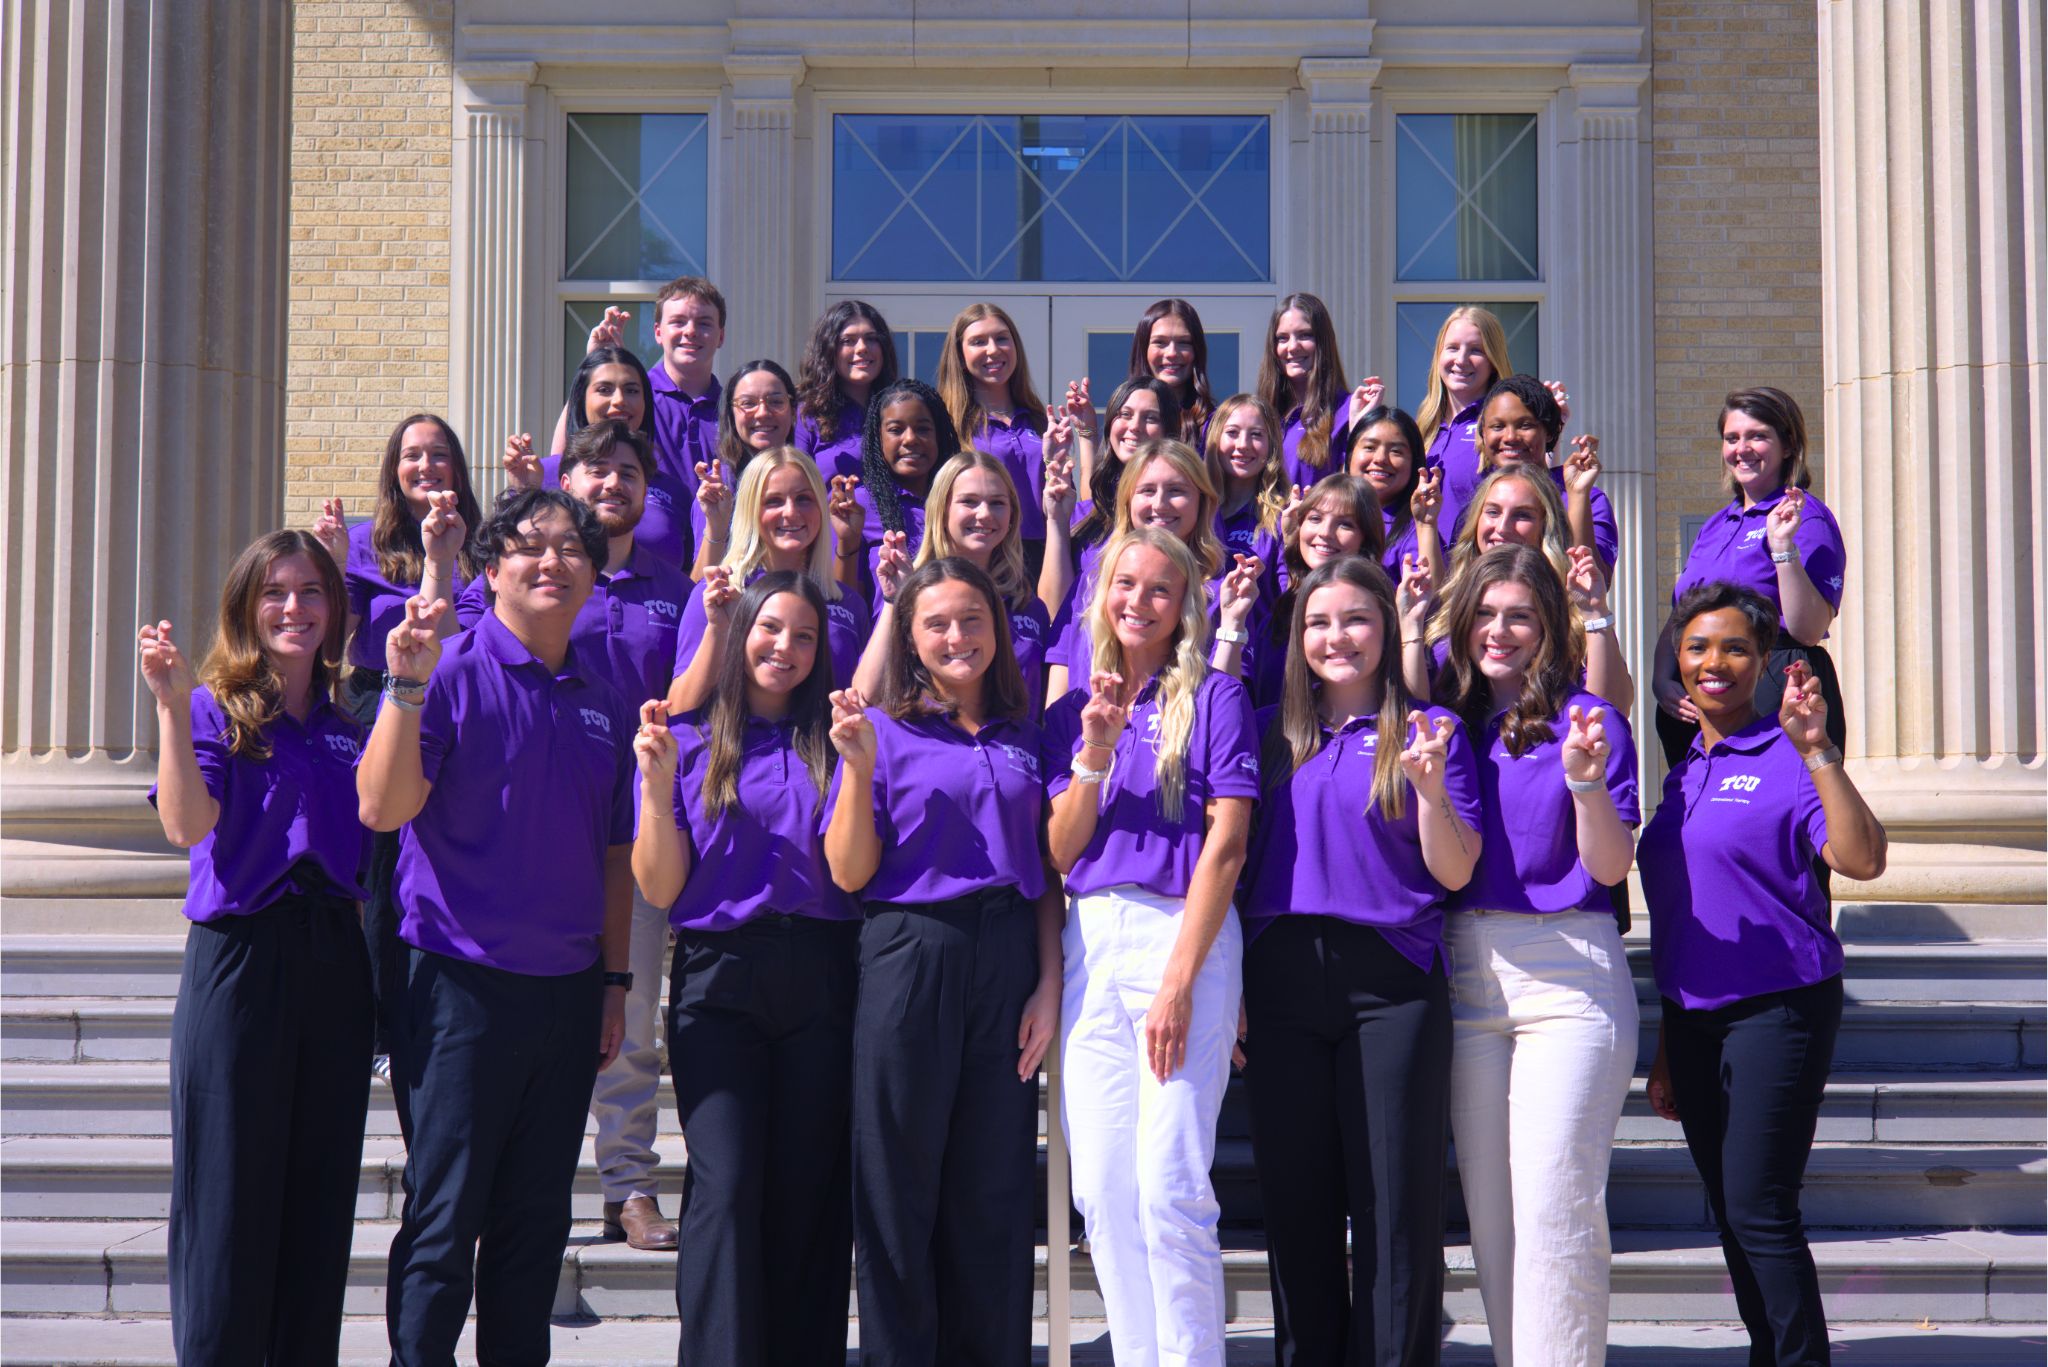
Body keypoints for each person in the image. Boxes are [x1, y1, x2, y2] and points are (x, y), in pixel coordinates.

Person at [357, 487, 637, 1365]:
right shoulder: (449, 671)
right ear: (490, 568)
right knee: (444, 1219)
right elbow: (381, 805)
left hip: (565, 994)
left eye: (569, 549)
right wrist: (405, 686)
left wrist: (615, 983)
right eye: (528, 546)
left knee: (534, 1224)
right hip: (458, 988)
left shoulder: (607, 693)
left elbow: (614, 855)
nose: (550, 561)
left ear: (594, 575)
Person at [1239, 555, 1482, 1366]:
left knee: (1393, 1202)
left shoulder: (1429, 730)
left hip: (1393, 981)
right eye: (1317, 621)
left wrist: (1430, 789)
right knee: (1296, 1202)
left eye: (1354, 619)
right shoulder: (1268, 733)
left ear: (1386, 627)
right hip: (1279, 978)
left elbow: (1453, 871)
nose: (1335, 636)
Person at [823, 558, 1063, 1367]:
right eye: (937, 623)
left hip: (1005, 957)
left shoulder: (1028, 736)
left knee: (993, 1190)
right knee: (897, 1186)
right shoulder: (879, 730)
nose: (957, 636)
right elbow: (849, 870)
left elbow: (1044, 871)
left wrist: (1048, 982)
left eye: (972, 619)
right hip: (910, 948)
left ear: (999, 631)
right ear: (911, 638)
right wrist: (856, 770)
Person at [1641, 583, 1886, 1367]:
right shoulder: (1681, 777)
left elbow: (1863, 858)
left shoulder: (1786, 757)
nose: (1715, 662)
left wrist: (1819, 749)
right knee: (1730, 1211)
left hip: (1779, 1007)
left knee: (1759, 1205)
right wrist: (1668, 1045)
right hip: (1693, 1019)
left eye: (1735, 647)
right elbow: (1683, 916)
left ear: (1764, 661)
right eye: (1698, 647)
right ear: (1678, 664)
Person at [141, 531, 371, 1366]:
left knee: (317, 1198)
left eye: (312, 592)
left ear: (334, 611)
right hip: (240, 963)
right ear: (247, 607)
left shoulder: (349, 728)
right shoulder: (211, 706)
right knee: (229, 1195)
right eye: (275, 592)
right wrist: (168, 702)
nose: (294, 609)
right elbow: (185, 825)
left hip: (334, 967)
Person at [630, 571, 860, 1367]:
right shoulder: (686, 740)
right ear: (736, 635)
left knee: (806, 1189)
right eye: (769, 630)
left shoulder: (835, 742)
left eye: (803, 636)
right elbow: (658, 886)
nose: (784, 648)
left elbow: (854, 869)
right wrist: (656, 791)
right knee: (726, 1189)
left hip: (823, 973)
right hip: (717, 982)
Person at [1043, 525, 1260, 1367]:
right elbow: (1056, 854)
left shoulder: (1214, 698)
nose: (1138, 601)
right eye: (1124, 583)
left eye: (1159, 589)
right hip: (1093, 937)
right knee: (1102, 1190)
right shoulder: (1069, 711)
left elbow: (1228, 846)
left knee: (1169, 1183)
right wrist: (1093, 755)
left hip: (1185, 937)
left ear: (1184, 607)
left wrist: (1180, 982)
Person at [475, 420, 690, 1251]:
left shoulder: (674, 586)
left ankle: (628, 1183)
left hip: (645, 819)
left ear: (647, 488)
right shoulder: (545, 574)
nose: (612, 485)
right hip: (555, 823)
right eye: (596, 472)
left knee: (633, 1015)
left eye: (628, 472)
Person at [1433, 543, 1640, 1367]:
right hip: (1466, 971)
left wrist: (1586, 782)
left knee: (1556, 1203)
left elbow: (1611, 866)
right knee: (1495, 1218)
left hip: (1569, 971)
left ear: (1549, 625)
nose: (1500, 629)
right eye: (1484, 613)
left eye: (1519, 614)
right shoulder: (1442, 723)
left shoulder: (1591, 719)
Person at [310, 413, 478, 1090]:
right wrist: (326, 563)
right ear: (394, 468)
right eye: (413, 455)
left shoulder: (481, 544)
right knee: (378, 870)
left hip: (454, 709)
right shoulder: (358, 545)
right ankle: (380, 1023)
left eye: (439, 455)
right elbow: (332, 641)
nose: (426, 466)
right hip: (373, 706)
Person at [1654, 387, 1847, 767]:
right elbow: (1683, 612)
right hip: (1702, 698)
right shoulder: (1715, 525)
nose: (1742, 448)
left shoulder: (1805, 517)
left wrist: (1782, 547)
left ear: (1788, 445)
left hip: (1771, 685)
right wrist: (1661, 680)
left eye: (1757, 435)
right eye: (1732, 438)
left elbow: (1808, 629)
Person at [854, 450, 1064, 714]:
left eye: (997, 503)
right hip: (932, 748)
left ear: (1012, 515)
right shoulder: (914, 593)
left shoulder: (1028, 606)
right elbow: (865, 696)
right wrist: (896, 600)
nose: (985, 514)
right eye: (969, 501)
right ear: (942, 509)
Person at [1415, 465, 1633, 716]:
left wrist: (1596, 616)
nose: (1503, 527)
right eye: (1493, 512)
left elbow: (1613, 709)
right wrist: (1426, 527)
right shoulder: (1449, 603)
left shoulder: (1574, 608)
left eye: (1522, 515)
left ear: (1546, 525)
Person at [668, 447, 871, 712]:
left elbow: (865, 702)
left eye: (804, 499)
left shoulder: (849, 603)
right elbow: (678, 708)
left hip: (825, 750)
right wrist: (719, 631)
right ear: (751, 509)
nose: (791, 512)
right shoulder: (718, 593)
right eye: (773, 501)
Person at [1042, 439, 1234, 705]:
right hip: (1084, 739)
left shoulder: (1223, 591)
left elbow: (1224, 696)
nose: (1160, 504)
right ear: (1128, 500)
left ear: (1202, 502)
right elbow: (1062, 663)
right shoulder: (1094, 578)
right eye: (1146, 491)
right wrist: (1059, 741)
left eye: (1176, 490)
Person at [515, 341, 690, 570]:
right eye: (604, 389)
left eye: (632, 390)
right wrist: (523, 492)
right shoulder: (541, 475)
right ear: (581, 398)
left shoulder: (674, 491)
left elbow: (690, 580)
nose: (619, 400)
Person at [1249, 473, 1385, 704]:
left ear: (1366, 538)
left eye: (1345, 524)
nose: (1325, 532)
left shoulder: (1379, 609)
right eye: (1315, 518)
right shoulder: (1281, 611)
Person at [935, 302, 1050, 568]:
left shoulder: (1037, 418)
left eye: (1001, 339)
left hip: (1046, 553)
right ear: (960, 356)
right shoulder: (948, 423)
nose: (993, 349)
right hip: (987, 553)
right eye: (978, 342)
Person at [1468, 374, 1615, 574]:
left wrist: (1578, 497)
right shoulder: (1477, 499)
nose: (1510, 437)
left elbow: (1597, 582)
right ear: (1483, 434)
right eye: (1498, 426)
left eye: (1525, 425)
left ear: (1550, 432)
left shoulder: (1590, 499)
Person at [846, 378, 964, 598]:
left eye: (923, 429)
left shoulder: (959, 501)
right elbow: (844, 599)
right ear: (877, 439)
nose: (910, 439)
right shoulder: (859, 506)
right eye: (896, 430)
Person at [1256, 292, 1376, 488]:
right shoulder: (1263, 415)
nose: (1292, 347)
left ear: (1323, 341)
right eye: (1282, 338)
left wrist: (1359, 429)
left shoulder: (1346, 414)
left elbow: (1354, 490)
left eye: (1305, 335)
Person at [694, 359, 800, 575]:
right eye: (748, 403)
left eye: (776, 402)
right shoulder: (718, 485)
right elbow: (698, 585)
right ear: (731, 415)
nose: (762, 413)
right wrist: (716, 524)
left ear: (794, 411)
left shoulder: (806, 479)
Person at [1415, 306, 1512, 532]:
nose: (1461, 359)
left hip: (1478, 565)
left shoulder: (1503, 430)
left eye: (1476, 350)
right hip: (1422, 564)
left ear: (1493, 360)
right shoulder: (1422, 429)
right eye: (1452, 348)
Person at [646, 276, 728, 519]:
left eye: (704, 323)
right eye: (678, 322)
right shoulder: (634, 397)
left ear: (720, 336)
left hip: (719, 547)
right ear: (658, 332)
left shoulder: (734, 410)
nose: (691, 331)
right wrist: (593, 371)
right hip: (653, 550)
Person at [796, 299, 900, 481]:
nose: (862, 348)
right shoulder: (807, 415)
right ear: (829, 350)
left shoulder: (901, 409)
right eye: (848, 341)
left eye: (871, 338)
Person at [1348, 403, 1447, 586]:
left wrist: (1425, 526)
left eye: (1396, 451)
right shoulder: (1328, 513)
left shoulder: (1414, 531)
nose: (1380, 459)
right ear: (1350, 455)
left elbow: (1430, 597)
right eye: (1369, 447)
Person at [1206, 392, 1287, 613]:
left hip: (1256, 645)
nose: (1243, 445)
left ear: (1271, 445)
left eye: (1256, 435)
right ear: (1215, 440)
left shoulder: (1282, 517)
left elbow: (1289, 599)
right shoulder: (1196, 509)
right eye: (1232, 433)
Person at [1127, 298, 1216, 444]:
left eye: (1184, 342)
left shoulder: (1214, 424)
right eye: (1160, 342)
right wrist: (1086, 431)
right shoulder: (1124, 420)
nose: (1172, 353)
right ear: (1143, 350)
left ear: (1197, 351)